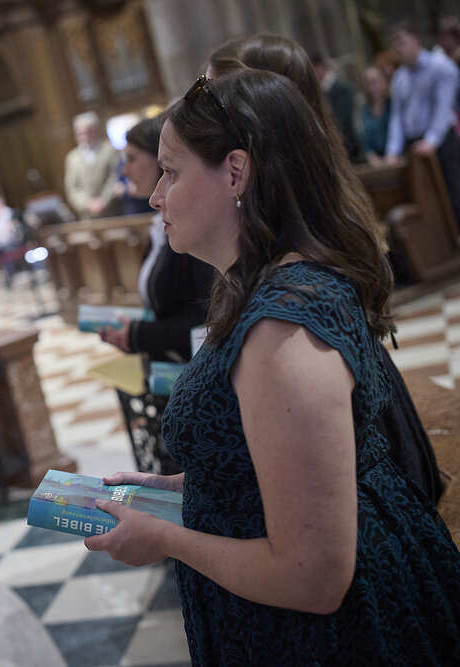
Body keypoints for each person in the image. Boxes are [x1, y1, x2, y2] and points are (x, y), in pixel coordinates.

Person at [87, 69, 460, 665]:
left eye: (171, 172)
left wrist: (164, 539)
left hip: (329, 636)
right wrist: (186, 487)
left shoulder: (283, 330)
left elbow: (313, 576)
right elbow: (276, 463)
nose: (156, 196)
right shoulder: (264, 285)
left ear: (235, 172)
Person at [209, 32, 445, 507]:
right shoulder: (305, 183)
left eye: (212, 95)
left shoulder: (291, 224)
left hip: (361, 441)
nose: (204, 114)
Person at [99, 116, 215, 474]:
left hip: (198, 384)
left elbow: (206, 320)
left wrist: (137, 335)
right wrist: (134, 329)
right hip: (173, 377)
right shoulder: (160, 225)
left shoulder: (194, 230)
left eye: (133, 158)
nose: (125, 168)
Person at [384, 22, 460, 228]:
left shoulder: (440, 67)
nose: (398, 48)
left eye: (402, 41)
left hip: (441, 140)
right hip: (414, 144)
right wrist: (392, 151)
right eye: (395, 44)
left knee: (453, 194)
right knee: (426, 201)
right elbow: (397, 117)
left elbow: (444, 108)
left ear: (416, 40)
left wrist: (431, 141)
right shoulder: (399, 77)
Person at [64, 111, 121, 219]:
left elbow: (114, 178)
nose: (83, 136)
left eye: (87, 131)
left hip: (112, 212)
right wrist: (87, 204)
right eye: (79, 133)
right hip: (87, 216)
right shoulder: (72, 157)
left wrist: (103, 201)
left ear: (95, 130)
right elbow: (72, 188)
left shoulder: (110, 151)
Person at [311, 54, 363, 162]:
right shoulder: (322, 90)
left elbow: (343, 121)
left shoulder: (341, 89)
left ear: (320, 67)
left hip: (349, 146)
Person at [361, 65, 392, 163]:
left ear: (384, 81)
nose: (373, 87)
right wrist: (370, 156)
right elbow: (363, 140)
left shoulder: (393, 105)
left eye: (375, 82)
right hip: (375, 160)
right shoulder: (364, 110)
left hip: (396, 157)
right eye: (368, 84)